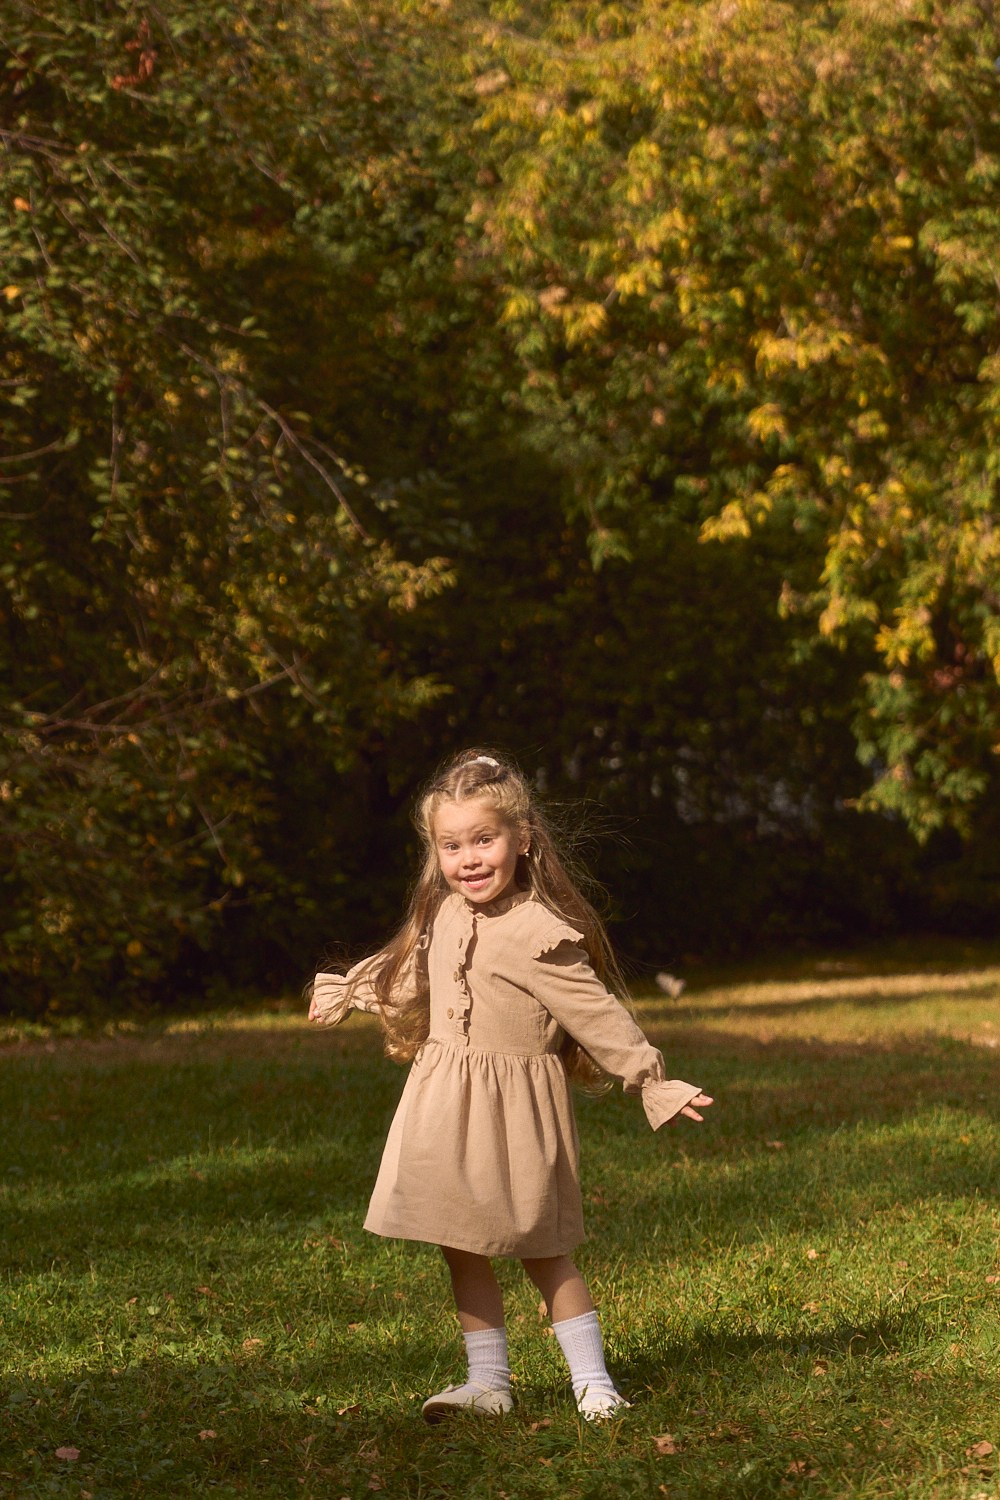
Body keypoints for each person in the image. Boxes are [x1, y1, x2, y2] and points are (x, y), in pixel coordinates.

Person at [309, 749, 713, 1423]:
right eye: (451, 845)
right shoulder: (440, 917)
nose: (468, 858)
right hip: (443, 1106)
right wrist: (350, 990)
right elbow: (407, 976)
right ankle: (488, 1381)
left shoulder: (539, 932)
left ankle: (593, 1383)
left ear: (521, 840)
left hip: (515, 1115)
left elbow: (597, 1014)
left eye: (484, 840)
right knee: (458, 1240)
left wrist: (650, 1080)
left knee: (542, 1249)